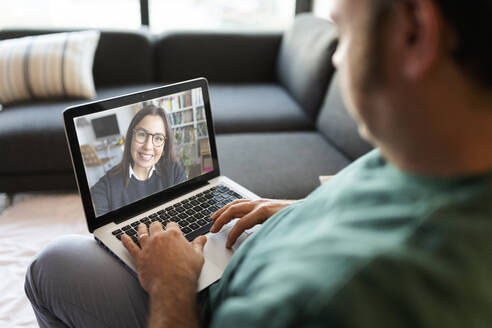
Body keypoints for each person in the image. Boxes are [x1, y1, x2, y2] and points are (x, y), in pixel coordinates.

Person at [25, 0, 492, 327]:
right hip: (249, 244)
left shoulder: (328, 303)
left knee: (49, 267)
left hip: (198, 300)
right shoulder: (427, 152)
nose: (336, 55)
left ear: (415, 30)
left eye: (342, 31)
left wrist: (172, 285)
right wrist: (298, 210)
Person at [91, 104, 187, 216]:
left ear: (164, 145)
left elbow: (184, 214)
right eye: (142, 134)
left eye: (158, 138)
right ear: (130, 136)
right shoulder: (103, 188)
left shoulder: (175, 172)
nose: (148, 146)